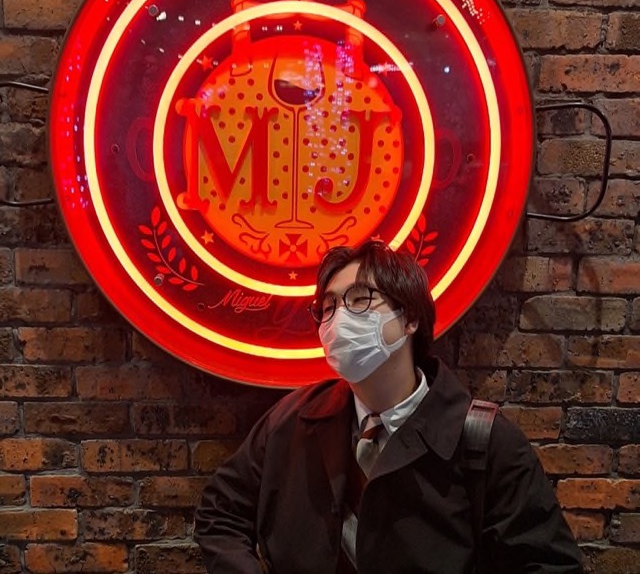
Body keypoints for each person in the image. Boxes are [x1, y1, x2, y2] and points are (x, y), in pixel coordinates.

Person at [194, 240, 584, 573]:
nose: (338, 319)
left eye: (359, 299)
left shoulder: (485, 440)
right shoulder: (291, 420)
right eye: (328, 307)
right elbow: (220, 512)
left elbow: (548, 563)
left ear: (409, 317)